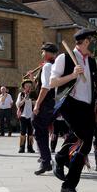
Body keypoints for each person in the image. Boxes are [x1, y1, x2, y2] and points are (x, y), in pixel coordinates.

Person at [51, 29, 97, 192]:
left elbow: (94, 88)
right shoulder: (64, 58)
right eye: (94, 42)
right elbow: (53, 82)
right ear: (85, 42)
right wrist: (73, 75)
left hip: (87, 107)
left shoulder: (92, 62)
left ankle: (60, 159)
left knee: (82, 142)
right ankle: (68, 185)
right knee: (85, 140)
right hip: (70, 105)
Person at [31, 43, 58, 175]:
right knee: (43, 130)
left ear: (47, 53)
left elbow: (45, 87)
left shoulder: (47, 66)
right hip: (54, 104)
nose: (42, 54)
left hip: (46, 104)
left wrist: (37, 104)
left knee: (38, 130)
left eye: (42, 52)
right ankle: (46, 160)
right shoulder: (57, 66)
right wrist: (33, 79)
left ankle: (45, 161)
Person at [16, 79, 36, 154]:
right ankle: (21, 147)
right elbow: (18, 105)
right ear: (24, 87)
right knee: (23, 132)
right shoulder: (21, 94)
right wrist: (24, 99)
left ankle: (30, 148)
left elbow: (37, 103)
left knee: (30, 132)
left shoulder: (33, 94)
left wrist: (32, 100)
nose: (28, 87)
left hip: (31, 116)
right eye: (27, 86)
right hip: (23, 115)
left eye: (30, 86)